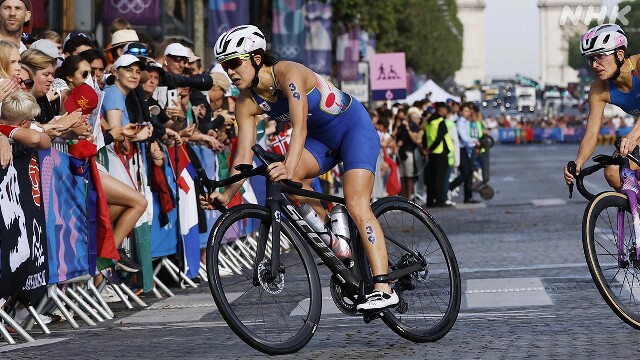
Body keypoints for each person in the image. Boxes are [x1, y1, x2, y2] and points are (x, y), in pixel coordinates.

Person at [203, 25, 398, 310]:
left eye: (234, 62)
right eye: (225, 65)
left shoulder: (288, 73)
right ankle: (335, 234)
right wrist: (227, 194)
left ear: (256, 58)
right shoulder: (245, 102)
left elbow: (299, 126)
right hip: (321, 141)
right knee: (290, 179)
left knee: (357, 203)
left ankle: (383, 286)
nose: (230, 71)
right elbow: (242, 156)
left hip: (352, 128)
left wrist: (288, 165)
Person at [564, 24, 640, 189]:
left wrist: (632, 137)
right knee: (613, 172)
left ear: (619, 54)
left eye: (600, 56)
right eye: (590, 59)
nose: (594, 64)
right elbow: (591, 133)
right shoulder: (599, 88)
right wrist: (579, 162)